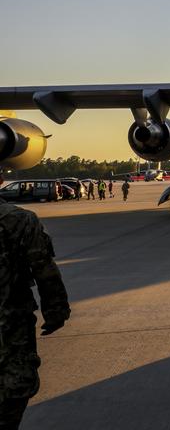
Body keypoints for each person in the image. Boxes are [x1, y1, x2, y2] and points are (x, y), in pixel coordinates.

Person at [0, 173, 70, 428]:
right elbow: (44, 270)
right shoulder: (20, 220)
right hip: (10, 327)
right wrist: (56, 311)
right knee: (13, 388)